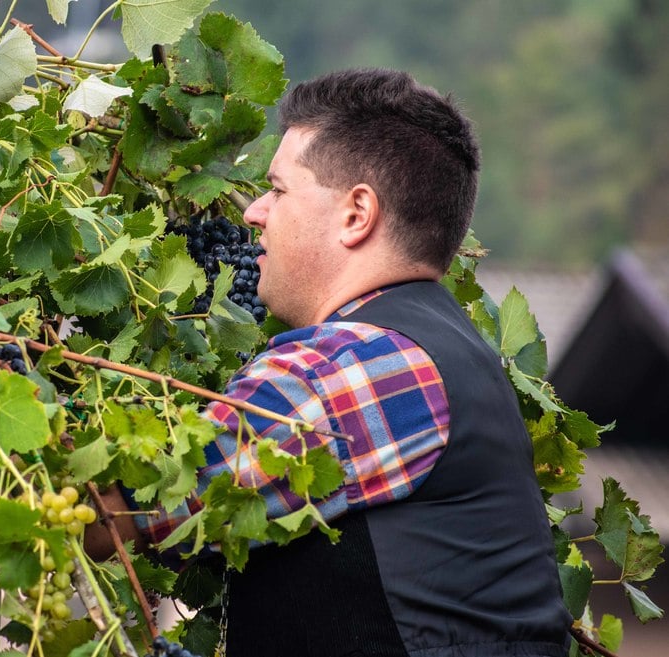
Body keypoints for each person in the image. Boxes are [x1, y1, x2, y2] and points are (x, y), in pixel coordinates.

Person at [91, 68, 572, 657]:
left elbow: (118, 510)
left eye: (278, 189)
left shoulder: (353, 365)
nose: (253, 213)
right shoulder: (448, 347)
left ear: (356, 214)